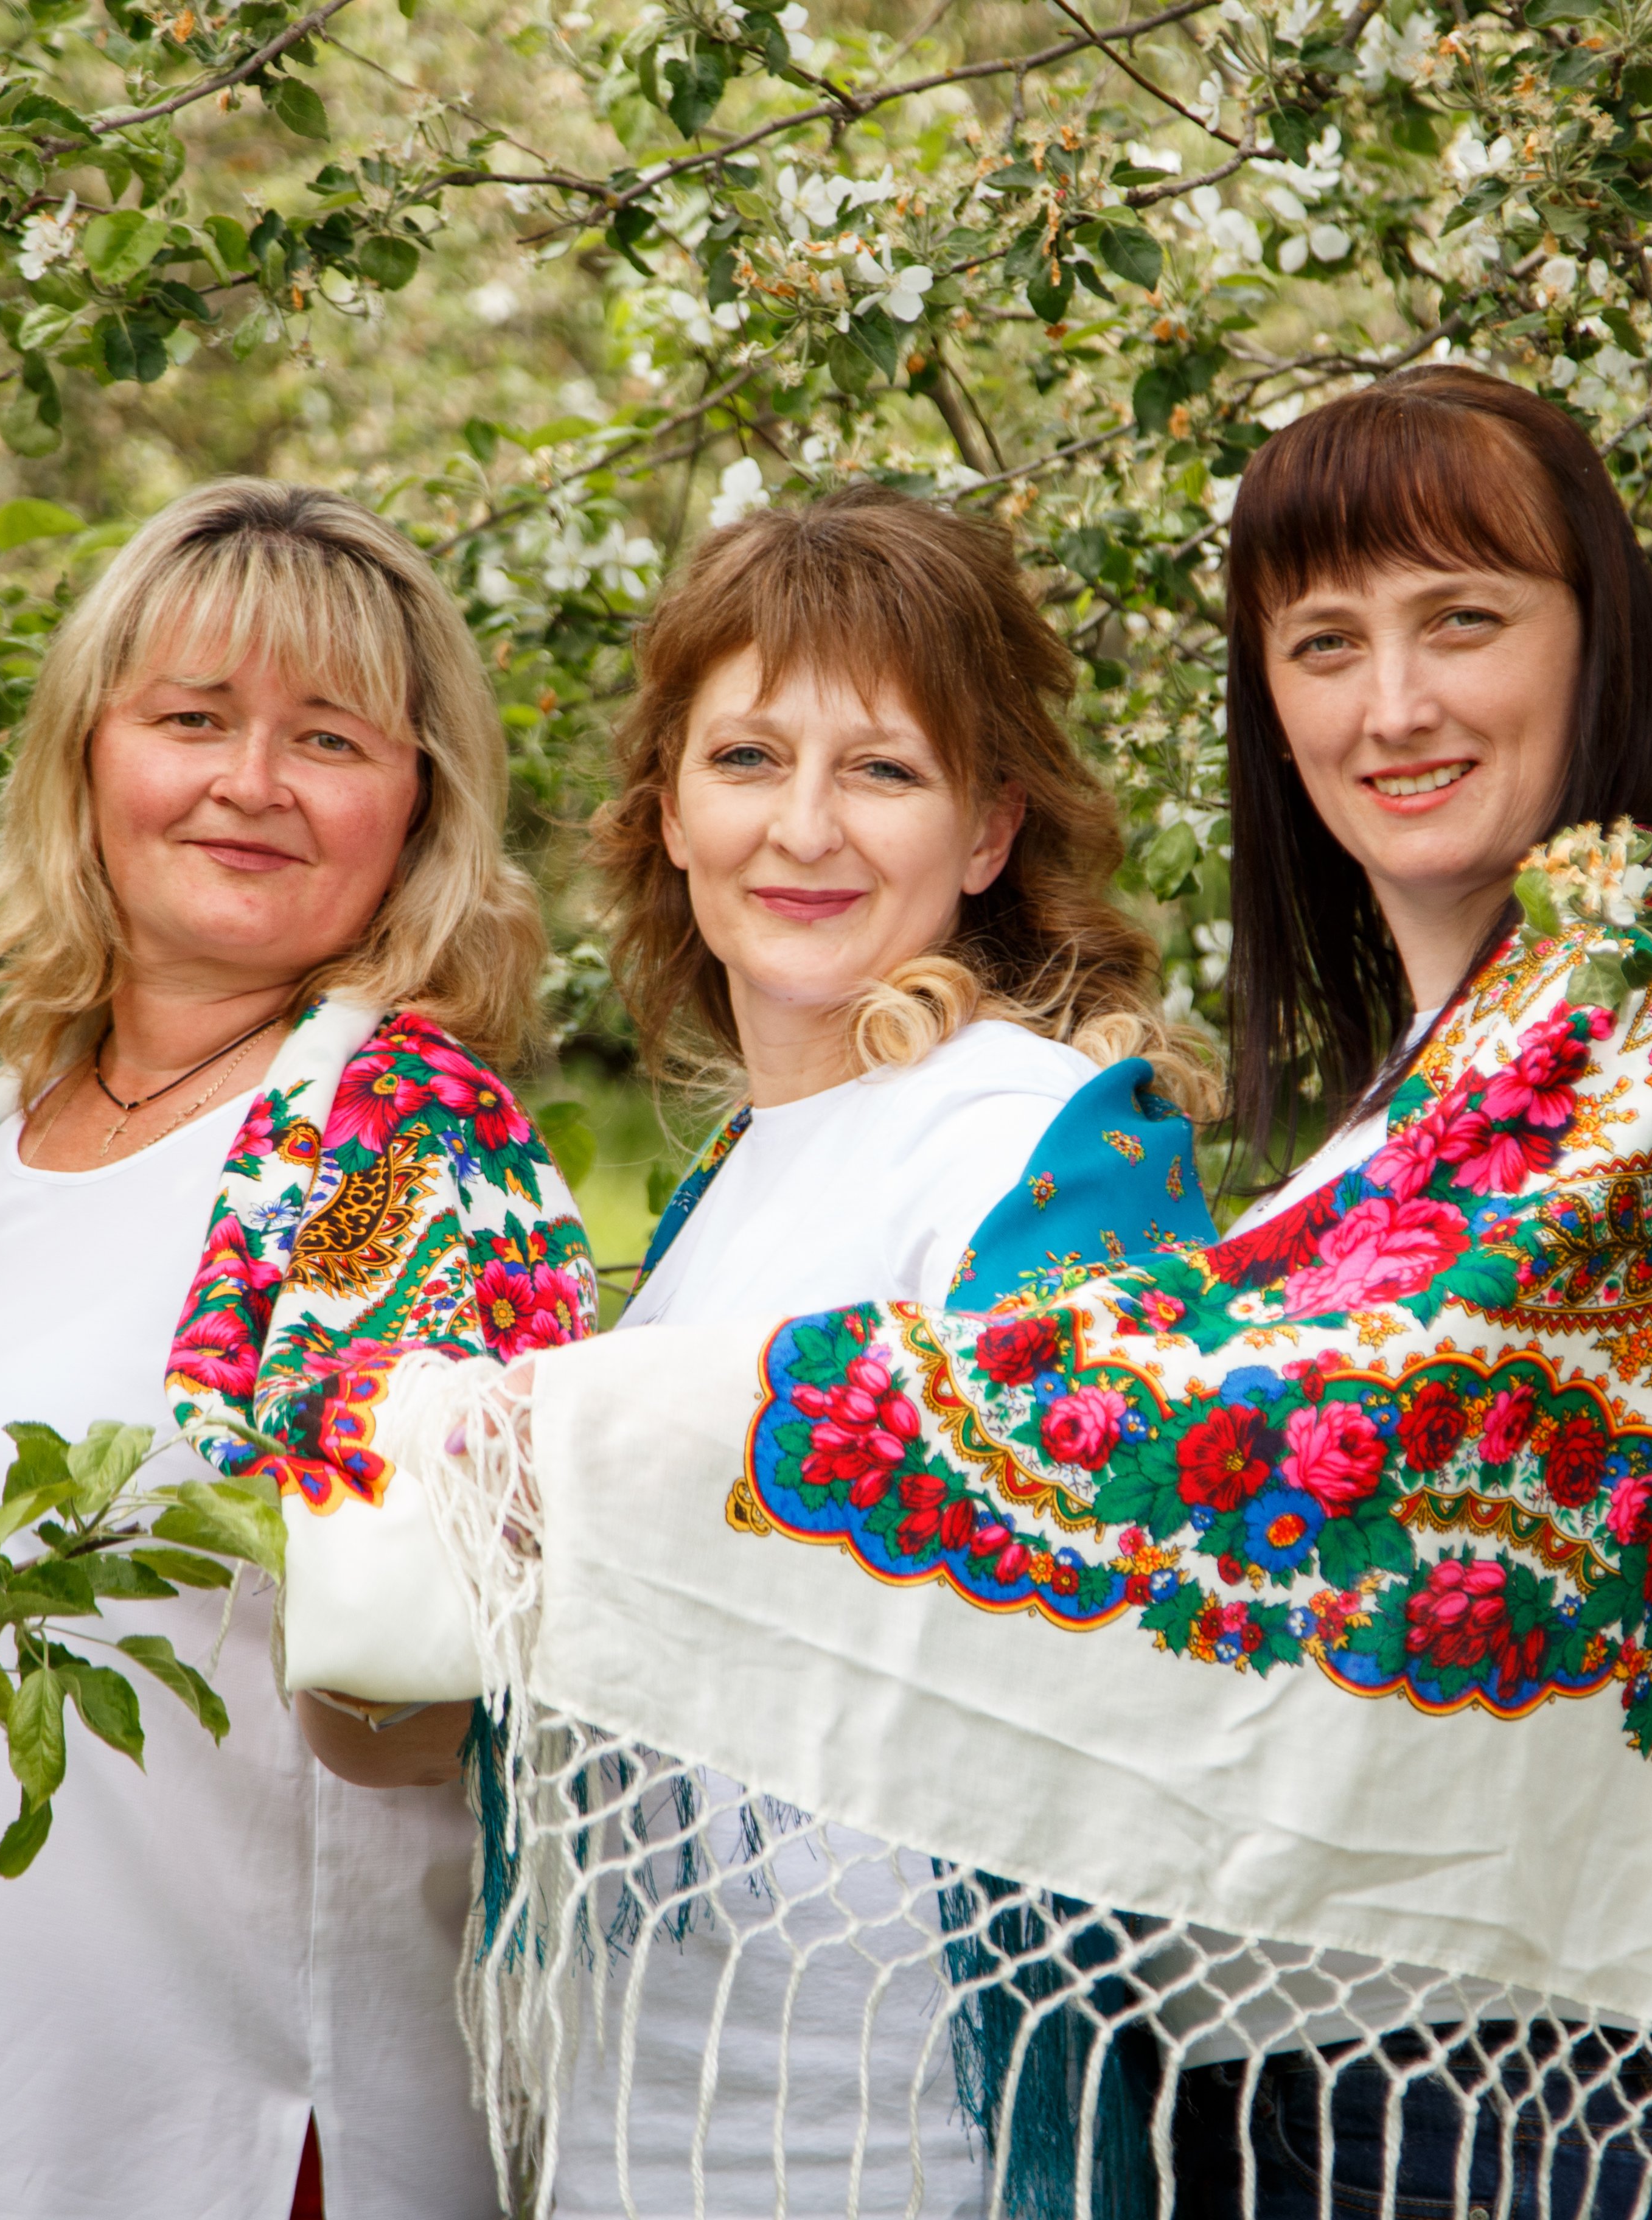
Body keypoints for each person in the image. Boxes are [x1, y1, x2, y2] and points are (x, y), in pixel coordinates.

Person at [354, 369, 1652, 2219]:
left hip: (1597, 2084)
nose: (1393, 704)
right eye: (1324, 643)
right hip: (1374, 2089)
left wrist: (567, 1438)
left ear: (1601, 640)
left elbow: (1272, 1423)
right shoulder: (1445, 1068)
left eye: (1463, 620)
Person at [294, 482, 1219, 2219]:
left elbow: (1097, 1633)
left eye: (881, 770)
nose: (804, 827)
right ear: (670, 810)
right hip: (649, 2109)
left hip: (902, 2125)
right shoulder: (729, 1177)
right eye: (746, 760)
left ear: (989, 831)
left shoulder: (1042, 1134)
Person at [0, 479, 591, 2220]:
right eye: (192, 719)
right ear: (88, 758)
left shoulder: (401, 1146)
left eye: (328, 737)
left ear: (416, 806)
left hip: (203, 2137)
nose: (251, 781)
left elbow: (456, 1680)